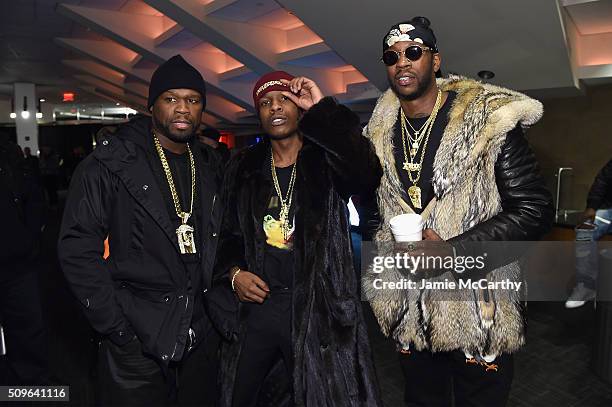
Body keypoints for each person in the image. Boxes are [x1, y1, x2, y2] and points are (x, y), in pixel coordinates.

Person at [361, 17, 553, 406]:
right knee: (421, 399)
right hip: (410, 307)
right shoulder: (379, 133)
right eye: (391, 56)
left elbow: (534, 210)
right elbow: (373, 210)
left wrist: (453, 251)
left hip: (477, 307)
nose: (402, 63)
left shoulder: (488, 122)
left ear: (434, 61)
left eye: (413, 53)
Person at [58, 55, 225, 406]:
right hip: (137, 338)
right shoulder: (110, 163)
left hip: (201, 335)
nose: (183, 109)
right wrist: (117, 328)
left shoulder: (210, 164)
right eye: (171, 99)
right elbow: (77, 248)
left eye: (193, 101)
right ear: (152, 105)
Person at [208, 71, 382, 406]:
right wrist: (233, 275)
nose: (275, 107)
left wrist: (322, 110)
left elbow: (366, 173)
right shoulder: (242, 166)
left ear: (298, 107)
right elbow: (225, 233)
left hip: (318, 310)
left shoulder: (324, 159)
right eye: (265, 102)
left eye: (284, 99)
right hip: (258, 309)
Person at [0, 133, 48, 385]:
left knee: (28, 329)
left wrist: (28, 238)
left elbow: (33, 197)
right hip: (19, 258)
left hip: (17, 263)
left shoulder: (7, 152)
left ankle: (32, 387)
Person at [566, 158, 612, 308]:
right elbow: (602, 181)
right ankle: (586, 286)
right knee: (585, 231)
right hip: (609, 211)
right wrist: (592, 206)